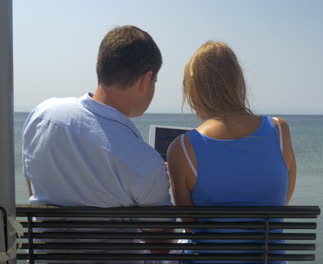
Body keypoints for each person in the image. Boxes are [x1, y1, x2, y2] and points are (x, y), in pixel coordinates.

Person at [22, 25, 172, 261]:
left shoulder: (43, 115)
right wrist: (162, 180)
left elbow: (34, 185)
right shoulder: (144, 162)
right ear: (146, 79)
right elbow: (160, 240)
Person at [167, 41, 296, 263]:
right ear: (237, 82)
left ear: (195, 89)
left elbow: (189, 225)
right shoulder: (280, 131)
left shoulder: (182, 149)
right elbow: (281, 202)